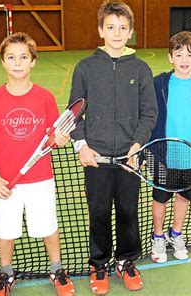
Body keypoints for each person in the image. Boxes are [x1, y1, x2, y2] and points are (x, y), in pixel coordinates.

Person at [68, 0, 157, 293]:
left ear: (130, 31)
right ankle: (99, 264)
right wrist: (81, 145)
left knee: (129, 212)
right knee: (99, 213)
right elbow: (74, 112)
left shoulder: (141, 69)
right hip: (96, 159)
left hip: (130, 159)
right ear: (100, 30)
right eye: (110, 27)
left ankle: (127, 261)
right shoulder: (86, 68)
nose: (117, 32)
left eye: (122, 27)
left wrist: (137, 145)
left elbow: (149, 113)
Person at [0, 32, 74, 296]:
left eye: (23, 57)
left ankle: (56, 268)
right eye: (11, 57)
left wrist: (61, 139)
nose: (17, 62)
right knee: (5, 229)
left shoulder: (44, 97)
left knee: (48, 226)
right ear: (3, 61)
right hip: (6, 181)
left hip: (40, 179)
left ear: (33, 61)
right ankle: (5, 273)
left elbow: (53, 136)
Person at [149, 31, 191, 263]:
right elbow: (150, 114)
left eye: (190, 54)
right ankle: (158, 237)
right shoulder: (159, 83)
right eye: (178, 54)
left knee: (184, 198)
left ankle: (175, 233)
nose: (184, 59)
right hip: (163, 156)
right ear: (170, 57)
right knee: (160, 199)